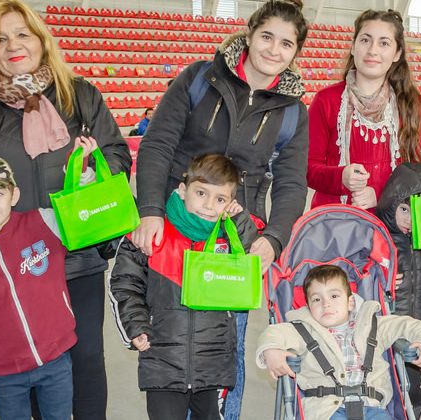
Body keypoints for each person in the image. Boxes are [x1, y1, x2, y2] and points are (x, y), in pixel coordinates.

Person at [0, 1, 132, 418]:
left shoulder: (81, 95)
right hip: (11, 272)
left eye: (22, 34)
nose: (13, 44)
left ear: (40, 39)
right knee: (28, 371)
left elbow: (117, 156)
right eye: (0, 38)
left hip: (77, 259)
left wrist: (91, 175)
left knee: (87, 365)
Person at [133, 2, 309, 417]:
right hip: (172, 235)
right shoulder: (198, 78)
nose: (274, 49)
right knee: (170, 343)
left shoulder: (292, 111)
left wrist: (273, 238)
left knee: (224, 353)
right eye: (267, 36)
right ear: (249, 34)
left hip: (232, 243)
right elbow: (157, 144)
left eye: (287, 44)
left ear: (295, 52)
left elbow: (291, 183)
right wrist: (150, 210)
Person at [109, 154, 261, 420]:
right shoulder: (152, 233)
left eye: (220, 199)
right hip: (162, 361)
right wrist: (135, 326)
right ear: (183, 189)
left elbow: (251, 261)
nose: (209, 206)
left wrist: (238, 221)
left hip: (212, 365)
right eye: (201, 193)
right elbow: (125, 282)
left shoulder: (229, 236)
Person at [0, 155, 87, 420]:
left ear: (14, 195)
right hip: (6, 371)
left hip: (56, 358)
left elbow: (79, 208)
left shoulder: (43, 223)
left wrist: (82, 175)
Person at [256, 264, 421, 420]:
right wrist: (272, 352)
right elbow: (273, 334)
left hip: (373, 407)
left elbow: (409, 325)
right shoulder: (302, 329)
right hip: (327, 410)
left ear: (350, 302)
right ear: (308, 306)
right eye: (317, 299)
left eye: (334, 296)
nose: (326, 304)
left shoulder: (373, 324)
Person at [306, 9, 421, 210]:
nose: (373, 50)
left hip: (393, 226)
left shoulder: (411, 105)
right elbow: (307, 168)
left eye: (384, 43)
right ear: (353, 46)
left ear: (397, 54)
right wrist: (341, 177)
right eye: (365, 40)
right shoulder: (326, 100)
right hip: (334, 224)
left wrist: (382, 192)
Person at [375, 162, 421, 419]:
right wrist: (380, 278)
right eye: (403, 209)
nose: (409, 220)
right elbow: (359, 274)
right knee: (381, 386)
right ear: (391, 203)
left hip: (419, 325)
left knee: (411, 387)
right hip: (383, 330)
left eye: (417, 212)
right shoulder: (378, 237)